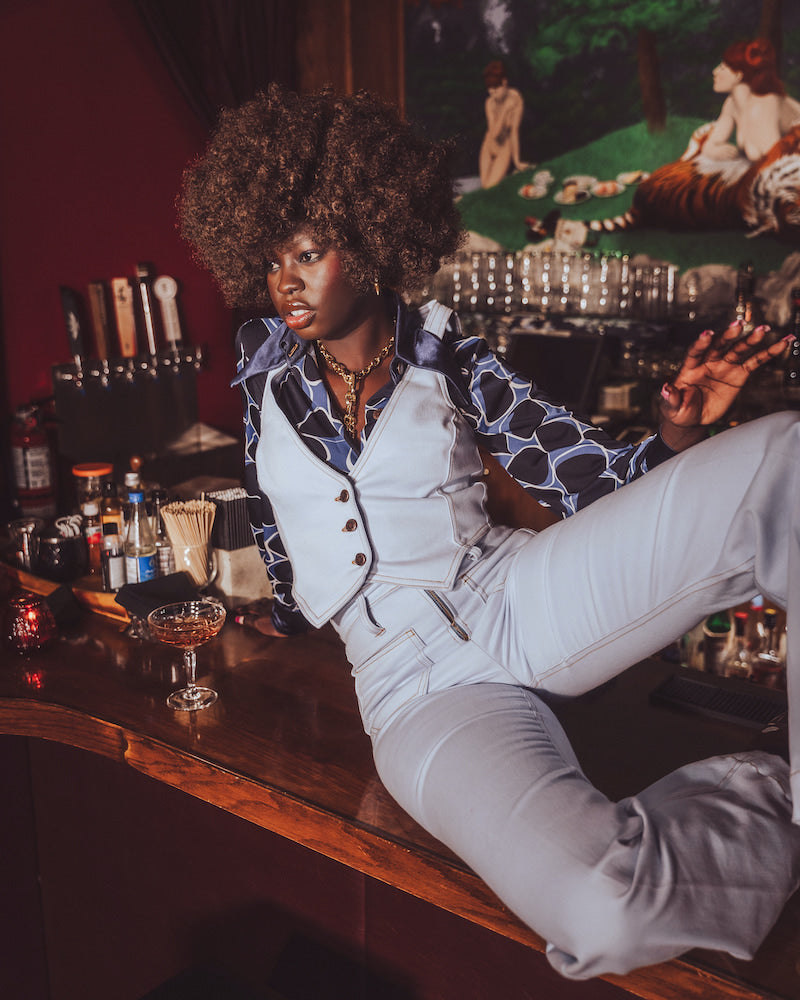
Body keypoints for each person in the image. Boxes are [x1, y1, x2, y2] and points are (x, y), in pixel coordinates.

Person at [179, 84, 800, 981]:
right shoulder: (265, 384)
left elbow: (582, 475)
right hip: (412, 689)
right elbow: (274, 522)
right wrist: (280, 609)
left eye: (308, 253)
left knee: (782, 458)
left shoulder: (450, 357)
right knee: (605, 910)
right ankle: (770, 800)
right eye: (272, 259)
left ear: (373, 238)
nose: (286, 281)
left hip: (517, 592)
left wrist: (673, 435)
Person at [630, 38, 800, 237]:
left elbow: (777, 167)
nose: (715, 71)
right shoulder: (732, 104)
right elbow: (712, 145)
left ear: (738, 75)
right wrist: (714, 148)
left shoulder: (763, 106)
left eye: (723, 67)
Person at [479, 59, 528, 188]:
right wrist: (505, 111)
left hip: (504, 147)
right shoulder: (489, 103)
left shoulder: (516, 98)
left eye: (496, 88)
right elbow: (494, 133)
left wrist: (517, 161)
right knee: (484, 186)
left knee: (489, 187)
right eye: (490, 89)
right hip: (488, 144)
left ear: (504, 83)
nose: (493, 93)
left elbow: (514, 132)